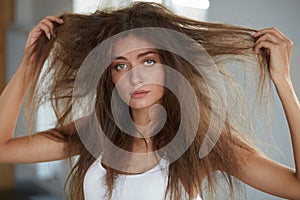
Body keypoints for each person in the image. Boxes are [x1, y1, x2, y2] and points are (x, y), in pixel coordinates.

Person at [0, 2, 299, 200]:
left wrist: (283, 83)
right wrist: (30, 65)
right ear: (111, 76)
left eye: (148, 61)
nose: (135, 78)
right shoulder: (96, 132)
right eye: (120, 65)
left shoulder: (200, 141)